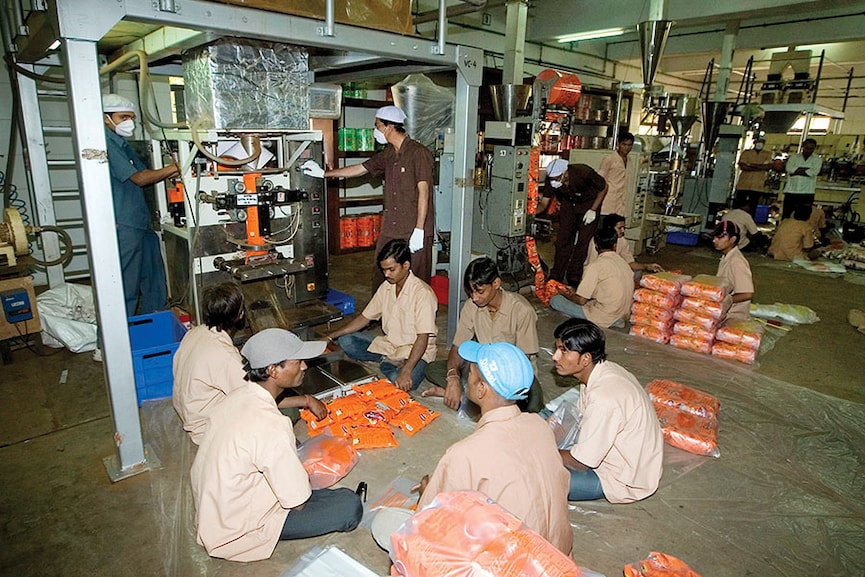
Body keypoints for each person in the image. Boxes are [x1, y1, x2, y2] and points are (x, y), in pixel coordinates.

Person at [191, 328, 362, 562]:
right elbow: (298, 502)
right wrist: (303, 475)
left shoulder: (235, 397)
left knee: (294, 452)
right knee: (348, 505)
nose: (304, 366)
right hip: (236, 529)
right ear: (273, 370)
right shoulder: (272, 425)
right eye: (298, 362)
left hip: (215, 510)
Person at [416, 341, 573, 554]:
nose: (466, 378)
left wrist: (429, 495)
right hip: (557, 555)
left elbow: (435, 520)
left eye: (470, 373)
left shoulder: (464, 454)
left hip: (515, 564)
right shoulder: (540, 426)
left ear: (481, 389)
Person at [302, 105, 435, 286]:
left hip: (413, 229)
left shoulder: (419, 153)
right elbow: (359, 169)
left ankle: (416, 314)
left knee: (415, 279)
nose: (375, 130)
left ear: (389, 127)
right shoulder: (388, 154)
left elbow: (424, 192)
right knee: (382, 273)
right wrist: (323, 174)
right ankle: (381, 313)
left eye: (377, 125)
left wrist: (419, 230)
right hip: (392, 228)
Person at [552, 319, 663, 503]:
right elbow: (576, 419)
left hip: (619, 478)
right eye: (557, 349)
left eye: (564, 350)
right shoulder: (602, 371)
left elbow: (581, 463)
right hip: (617, 459)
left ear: (585, 358)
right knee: (541, 428)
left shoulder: (604, 398)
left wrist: (540, 449)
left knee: (535, 475)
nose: (555, 356)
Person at [421, 257, 544, 413]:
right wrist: (453, 378)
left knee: (533, 403)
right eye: (470, 292)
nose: (474, 297)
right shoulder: (471, 306)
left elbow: (521, 362)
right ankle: (470, 395)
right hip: (483, 370)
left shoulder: (522, 311)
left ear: (496, 284)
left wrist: (491, 386)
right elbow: (458, 346)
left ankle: (468, 397)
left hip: (512, 378)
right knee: (433, 369)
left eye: (480, 291)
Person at [103, 93, 179, 317]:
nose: (130, 122)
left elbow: (147, 173)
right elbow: (140, 178)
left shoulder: (122, 143)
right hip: (124, 223)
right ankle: (116, 339)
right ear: (106, 118)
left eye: (132, 117)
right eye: (123, 116)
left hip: (140, 221)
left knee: (154, 277)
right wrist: (178, 166)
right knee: (127, 281)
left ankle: (156, 322)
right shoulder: (106, 143)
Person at [327, 239, 437, 391]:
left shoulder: (422, 294)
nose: (386, 274)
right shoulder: (386, 287)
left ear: (406, 265)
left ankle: (394, 365)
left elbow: (423, 338)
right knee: (346, 340)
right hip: (389, 346)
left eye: (391, 269)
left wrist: (406, 371)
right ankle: (389, 361)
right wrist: (330, 336)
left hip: (415, 352)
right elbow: (364, 318)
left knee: (402, 380)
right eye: (384, 270)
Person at [172, 282, 247, 445]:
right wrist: (304, 400)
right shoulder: (226, 356)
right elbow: (253, 399)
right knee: (278, 415)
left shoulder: (195, 332)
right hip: (205, 430)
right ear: (239, 315)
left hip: (187, 411)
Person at [550, 226, 634, 328]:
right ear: (615, 246)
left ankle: (604, 321)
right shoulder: (623, 263)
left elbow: (581, 301)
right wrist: (575, 293)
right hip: (624, 313)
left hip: (606, 315)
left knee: (556, 300)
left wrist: (565, 295)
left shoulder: (596, 266)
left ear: (595, 246)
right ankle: (616, 319)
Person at [544, 158, 608, 287]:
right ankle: (556, 275)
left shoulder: (583, 172)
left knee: (582, 242)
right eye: (553, 179)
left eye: (557, 178)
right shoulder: (551, 180)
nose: (555, 182)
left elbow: (604, 187)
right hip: (569, 203)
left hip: (588, 203)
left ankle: (574, 275)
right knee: (563, 239)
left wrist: (593, 209)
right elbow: (544, 202)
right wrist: (530, 215)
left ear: (565, 173)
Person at [586, 213, 663, 276]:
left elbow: (630, 263)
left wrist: (646, 266)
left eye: (624, 228)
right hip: (598, 273)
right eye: (619, 228)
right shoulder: (597, 241)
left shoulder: (622, 241)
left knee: (637, 273)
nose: (623, 230)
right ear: (609, 228)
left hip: (614, 271)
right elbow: (592, 266)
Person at [712, 220, 754, 322]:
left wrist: (725, 301)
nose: (714, 240)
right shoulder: (726, 257)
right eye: (714, 237)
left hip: (732, 316)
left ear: (733, 239)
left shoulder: (736, 262)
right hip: (723, 311)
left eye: (720, 237)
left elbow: (747, 294)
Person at [782, 138, 822, 219]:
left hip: (807, 192)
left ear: (814, 148)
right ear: (803, 147)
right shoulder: (793, 157)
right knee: (786, 215)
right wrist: (806, 171)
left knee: (804, 217)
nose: (808, 151)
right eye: (807, 148)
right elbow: (789, 169)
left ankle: (801, 231)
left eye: (811, 149)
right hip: (791, 191)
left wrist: (796, 171)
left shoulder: (817, 159)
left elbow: (814, 172)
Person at [598, 132, 634, 217]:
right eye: (624, 144)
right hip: (608, 203)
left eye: (629, 145)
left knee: (619, 229)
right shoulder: (609, 159)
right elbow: (600, 180)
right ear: (618, 144)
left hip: (622, 204)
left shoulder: (630, 161)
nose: (627, 148)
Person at [735, 137, 772, 214]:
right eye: (758, 142)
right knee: (739, 207)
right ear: (754, 143)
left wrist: (750, 165)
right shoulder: (746, 153)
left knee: (752, 208)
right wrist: (760, 167)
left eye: (761, 142)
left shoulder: (767, 154)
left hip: (757, 186)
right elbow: (743, 166)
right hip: (743, 185)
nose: (759, 144)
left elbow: (768, 166)